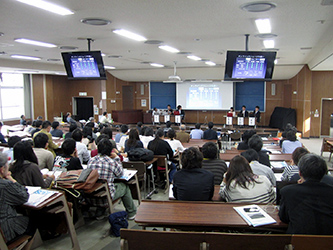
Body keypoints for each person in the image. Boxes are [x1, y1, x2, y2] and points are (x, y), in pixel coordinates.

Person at [279, 154, 333, 234]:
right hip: (328, 244)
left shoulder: (288, 191)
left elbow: (284, 218)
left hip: (297, 243)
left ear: (300, 173)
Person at [87, 138, 137, 220]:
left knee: (101, 186)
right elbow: (120, 174)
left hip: (91, 197)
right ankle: (132, 213)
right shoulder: (112, 162)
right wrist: (117, 158)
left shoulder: (91, 161)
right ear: (111, 150)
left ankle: (100, 212)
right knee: (124, 186)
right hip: (106, 198)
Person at [0, 152, 36, 248]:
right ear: (2, 169)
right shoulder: (5, 185)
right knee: (34, 221)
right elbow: (24, 196)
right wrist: (10, 178)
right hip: (5, 231)